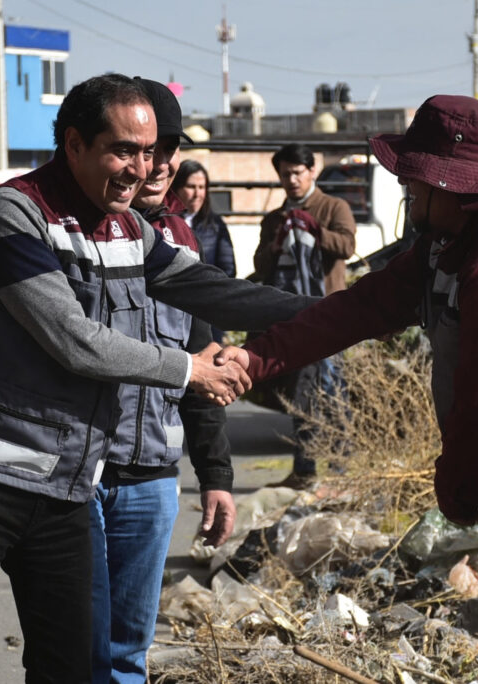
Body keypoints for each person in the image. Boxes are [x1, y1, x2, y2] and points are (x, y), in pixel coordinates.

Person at [0, 73, 314, 684]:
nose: (139, 169)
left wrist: (326, 316)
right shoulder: (11, 215)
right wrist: (188, 370)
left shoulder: (128, 228)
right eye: (122, 150)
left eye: (147, 153)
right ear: (74, 144)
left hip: (63, 494)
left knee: (74, 669)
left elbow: (208, 289)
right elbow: (74, 342)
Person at [220, 95, 478, 683]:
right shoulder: (450, 243)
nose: (406, 189)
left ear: (454, 185)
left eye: (414, 178)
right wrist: (255, 356)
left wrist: (459, 489)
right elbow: (358, 308)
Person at [89, 78, 235, 683]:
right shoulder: (75, 231)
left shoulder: (181, 243)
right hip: (79, 481)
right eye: (144, 149)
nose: (156, 164)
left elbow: (199, 365)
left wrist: (218, 478)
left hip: (150, 482)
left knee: (128, 653)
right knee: (72, 647)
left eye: (167, 149)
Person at [252, 143, 357, 488]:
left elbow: (346, 246)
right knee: (299, 394)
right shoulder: (275, 217)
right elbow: (260, 266)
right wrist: (277, 243)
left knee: (331, 390)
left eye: (298, 172)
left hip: (329, 316)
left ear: (312, 172)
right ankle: (304, 469)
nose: (292, 180)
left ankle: (340, 471)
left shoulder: (332, 206)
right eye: (286, 174)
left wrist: (315, 231)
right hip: (292, 318)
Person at [171, 158, 236, 343]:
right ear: (177, 187)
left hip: (207, 309)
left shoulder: (215, 225)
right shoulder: (164, 222)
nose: (197, 194)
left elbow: (228, 269)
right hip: (172, 307)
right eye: (191, 186)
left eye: (202, 187)